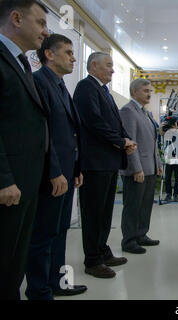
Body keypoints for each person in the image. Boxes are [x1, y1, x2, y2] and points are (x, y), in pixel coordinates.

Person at [25, 34, 87, 300]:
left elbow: (69, 134)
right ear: (49, 54)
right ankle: (39, 290)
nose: (74, 58)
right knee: (43, 234)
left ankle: (57, 281)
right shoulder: (39, 83)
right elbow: (43, 134)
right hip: (51, 175)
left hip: (66, 172)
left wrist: (75, 168)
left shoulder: (60, 86)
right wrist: (55, 172)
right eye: (69, 52)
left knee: (60, 230)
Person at [0, 0, 50, 300]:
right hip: (9, 184)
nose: (45, 32)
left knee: (14, 265)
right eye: (41, 23)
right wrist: (3, 178)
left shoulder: (20, 62)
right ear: (16, 18)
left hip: (27, 182)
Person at [73, 52, 137, 279]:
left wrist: (127, 140)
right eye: (109, 65)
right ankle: (92, 260)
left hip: (109, 161)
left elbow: (115, 123)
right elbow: (93, 122)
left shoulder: (104, 92)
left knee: (105, 213)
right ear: (94, 65)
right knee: (93, 214)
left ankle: (102, 251)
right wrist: (121, 141)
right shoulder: (85, 88)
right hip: (95, 162)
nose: (112, 70)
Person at [119, 79, 162, 254]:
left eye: (150, 90)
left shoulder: (147, 113)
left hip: (150, 166)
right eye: (145, 90)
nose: (149, 94)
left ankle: (141, 234)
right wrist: (136, 168)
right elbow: (131, 142)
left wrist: (157, 164)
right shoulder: (128, 111)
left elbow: (152, 142)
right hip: (137, 169)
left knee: (145, 204)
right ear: (134, 92)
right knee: (133, 205)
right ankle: (129, 240)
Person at [161, 117, 178, 202]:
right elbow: (161, 133)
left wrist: (175, 129)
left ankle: (176, 194)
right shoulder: (167, 132)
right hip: (169, 157)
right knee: (168, 176)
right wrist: (162, 126)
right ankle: (168, 193)